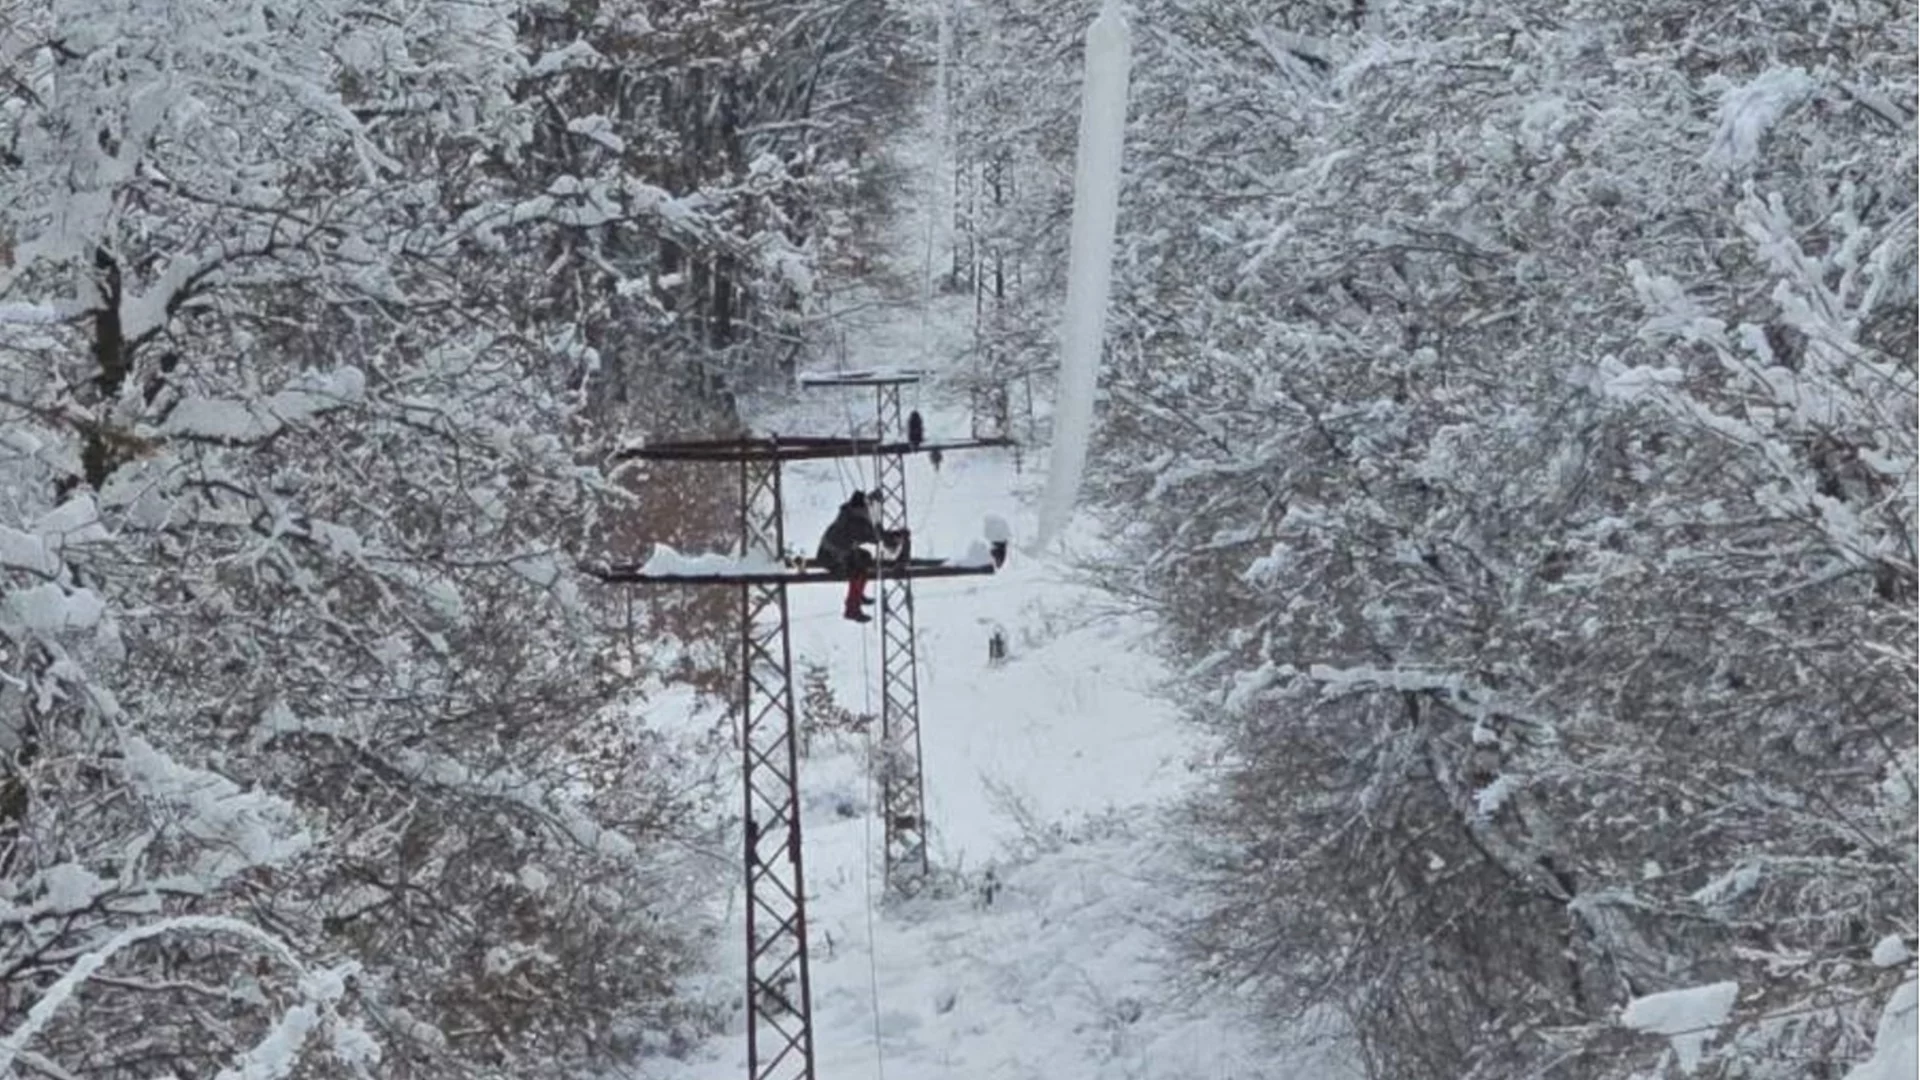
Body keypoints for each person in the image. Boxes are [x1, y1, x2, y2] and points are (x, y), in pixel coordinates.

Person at [815, 490, 906, 623]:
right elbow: (872, 536)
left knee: (864, 557)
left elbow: (872, 534)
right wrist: (893, 537)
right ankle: (852, 608)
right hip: (831, 558)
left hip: (833, 553)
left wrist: (889, 535)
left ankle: (857, 596)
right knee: (857, 569)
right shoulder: (853, 522)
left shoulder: (849, 514)